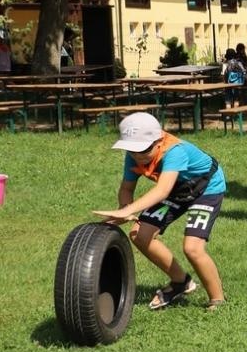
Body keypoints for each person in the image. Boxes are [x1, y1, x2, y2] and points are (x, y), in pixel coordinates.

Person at [93, 112, 226, 310]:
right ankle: (181, 281)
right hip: (176, 189)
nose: (138, 156)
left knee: (192, 248)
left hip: (206, 188)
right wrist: (124, 209)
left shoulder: (175, 151)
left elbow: (162, 190)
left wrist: (129, 209)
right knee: (139, 234)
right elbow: (127, 188)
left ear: (159, 140)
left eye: (144, 149)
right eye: (132, 150)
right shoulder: (133, 157)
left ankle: (218, 300)